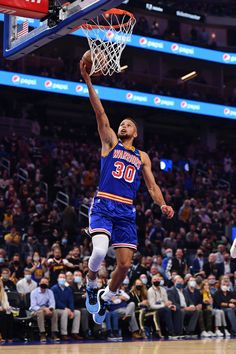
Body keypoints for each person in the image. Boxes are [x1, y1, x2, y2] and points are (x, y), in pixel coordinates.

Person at [80, 60, 174, 325]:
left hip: (125, 210)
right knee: (99, 252)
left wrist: (163, 205)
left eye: (128, 124)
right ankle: (90, 282)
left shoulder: (142, 156)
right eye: (121, 124)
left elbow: (152, 186)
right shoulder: (110, 143)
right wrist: (87, 79)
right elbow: (100, 114)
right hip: (104, 204)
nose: (123, 126)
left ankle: (107, 296)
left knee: (123, 265)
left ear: (136, 132)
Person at [51, 272, 81, 340]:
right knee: (65, 312)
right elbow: (56, 302)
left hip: (67, 309)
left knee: (77, 313)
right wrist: (65, 308)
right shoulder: (54, 288)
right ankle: (64, 334)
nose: (62, 279)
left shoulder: (68, 289)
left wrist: (72, 310)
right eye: (60, 277)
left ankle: (74, 333)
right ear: (57, 279)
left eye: (63, 277)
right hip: (57, 309)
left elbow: (71, 301)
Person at [30, 277, 60, 343]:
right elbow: (33, 306)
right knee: (40, 312)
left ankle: (54, 333)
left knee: (54, 312)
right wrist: (44, 309)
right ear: (39, 283)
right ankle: (42, 333)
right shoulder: (34, 292)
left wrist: (50, 309)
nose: (44, 283)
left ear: (48, 284)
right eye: (42, 282)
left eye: (46, 282)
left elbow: (52, 303)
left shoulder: (50, 292)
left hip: (47, 310)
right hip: (35, 311)